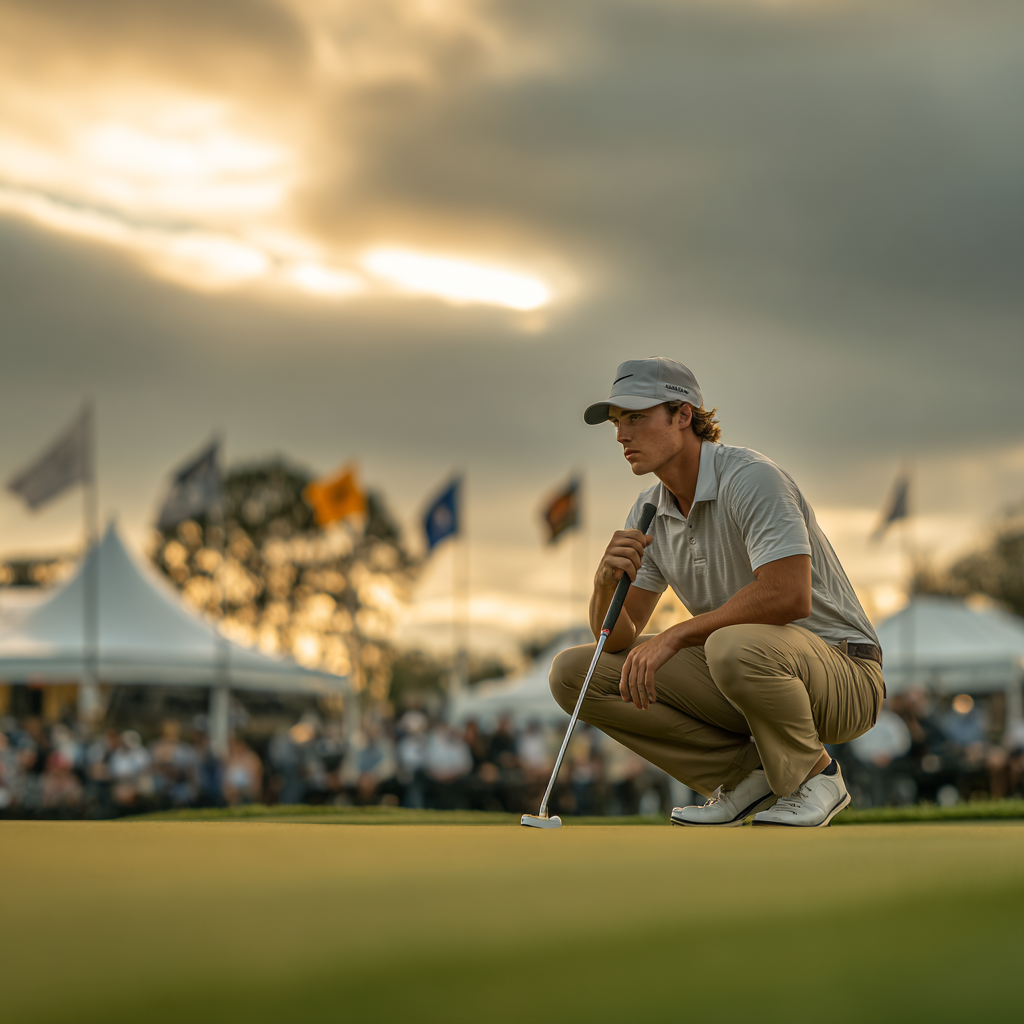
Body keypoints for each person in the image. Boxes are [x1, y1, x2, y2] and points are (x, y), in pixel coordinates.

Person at [550, 357, 885, 827]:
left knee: (729, 642)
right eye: (617, 422)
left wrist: (679, 634)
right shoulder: (648, 509)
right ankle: (750, 777)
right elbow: (619, 639)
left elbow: (790, 596)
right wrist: (604, 584)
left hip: (845, 673)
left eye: (636, 418)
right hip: (743, 670)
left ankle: (819, 776)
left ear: (684, 415)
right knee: (573, 672)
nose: (621, 435)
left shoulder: (751, 478)